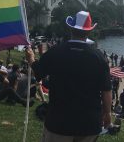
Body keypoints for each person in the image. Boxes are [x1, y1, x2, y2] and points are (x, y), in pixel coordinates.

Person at [25, 11, 114, 141]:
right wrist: (107, 114)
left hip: (59, 122)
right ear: (88, 32)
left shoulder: (56, 51)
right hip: (89, 124)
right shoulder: (99, 58)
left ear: (71, 29)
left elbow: (38, 73)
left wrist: (31, 59)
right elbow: (106, 91)